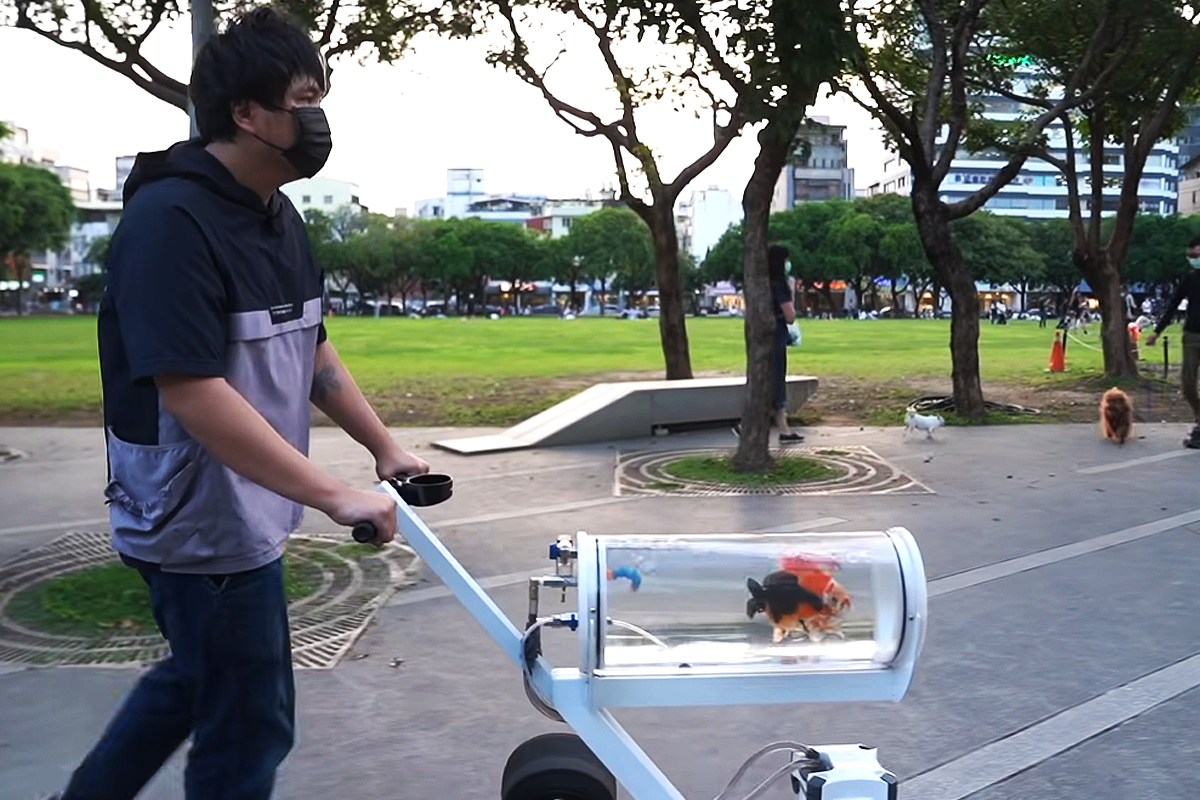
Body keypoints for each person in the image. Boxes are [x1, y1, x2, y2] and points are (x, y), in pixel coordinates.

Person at [57, 8, 428, 799]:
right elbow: (191, 392)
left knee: (196, 682)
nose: (318, 119)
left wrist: (383, 448)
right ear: (246, 112)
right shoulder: (170, 222)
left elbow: (312, 351)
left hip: (245, 505)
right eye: (302, 99)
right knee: (250, 721)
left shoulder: (277, 217)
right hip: (197, 518)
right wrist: (333, 496)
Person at [1146, 236, 1200, 449]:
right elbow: (1172, 306)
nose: (1193, 259)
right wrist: (1157, 332)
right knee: (1187, 384)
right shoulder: (1189, 279)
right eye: (1191, 256)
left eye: (1196, 255)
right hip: (1192, 335)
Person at [769, 244, 804, 443]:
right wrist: (791, 291)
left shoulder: (761, 282)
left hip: (762, 336)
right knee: (777, 380)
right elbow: (789, 316)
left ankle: (781, 426)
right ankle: (783, 428)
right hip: (778, 334)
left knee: (767, 378)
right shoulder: (779, 284)